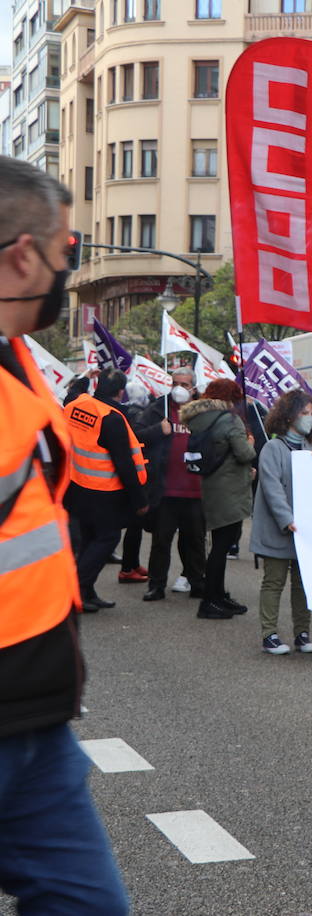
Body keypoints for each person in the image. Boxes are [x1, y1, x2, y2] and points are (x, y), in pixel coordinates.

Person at [0, 156, 130, 913]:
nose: (66, 269)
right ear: (23, 255)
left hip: (36, 720)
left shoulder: (22, 363)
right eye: (64, 252)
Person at [63, 369, 149, 612]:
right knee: (107, 538)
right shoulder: (112, 418)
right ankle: (76, 589)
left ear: (97, 384)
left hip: (76, 486)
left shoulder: (76, 403)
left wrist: (85, 376)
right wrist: (140, 499)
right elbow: (125, 464)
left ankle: (87, 592)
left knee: (90, 539)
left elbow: (73, 391)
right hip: (103, 491)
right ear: (121, 392)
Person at [251, 390, 312, 655]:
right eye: (304, 413)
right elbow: (271, 488)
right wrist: (287, 519)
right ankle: (269, 634)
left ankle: (302, 633)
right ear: (289, 415)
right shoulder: (272, 448)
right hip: (278, 529)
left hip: (305, 530)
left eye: (311, 415)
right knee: (274, 581)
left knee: (303, 583)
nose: (308, 419)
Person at [182, 378, 256, 620]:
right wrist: (250, 443)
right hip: (229, 490)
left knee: (218, 544)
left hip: (211, 486)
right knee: (221, 547)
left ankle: (217, 594)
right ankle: (210, 601)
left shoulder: (199, 418)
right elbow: (245, 453)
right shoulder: (229, 419)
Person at [139, 367, 207, 601]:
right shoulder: (159, 408)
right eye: (175, 383)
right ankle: (156, 585)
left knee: (195, 540)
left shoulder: (203, 411)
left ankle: (197, 582)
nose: (179, 388)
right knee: (161, 540)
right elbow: (137, 435)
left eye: (185, 384)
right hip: (165, 489)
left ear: (194, 388)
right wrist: (159, 430)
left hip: (197, 489)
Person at [113, 380, 161, 585]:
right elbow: (139, 439)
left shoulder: (132, 411)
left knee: (136, 525)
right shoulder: (135, 414)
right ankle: (127, 567)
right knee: (135, 524)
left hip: (137, 475)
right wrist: (159, 429)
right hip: (137, 476)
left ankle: (132, 563)